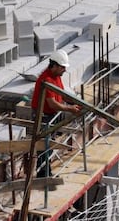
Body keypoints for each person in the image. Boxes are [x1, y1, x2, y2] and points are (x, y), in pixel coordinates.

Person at [31, 49, 81, 177]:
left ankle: (46, 171)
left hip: (51, 115)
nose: (65, 70)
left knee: (49, 143)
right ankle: (43, 173)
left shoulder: (56, 77)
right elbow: (52, 103)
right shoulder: (46, 80)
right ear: (55, 66)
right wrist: (70, 109)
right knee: (44, 145)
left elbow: (62, 95)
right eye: (62, 68)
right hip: (43, 117)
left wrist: (74, 102)